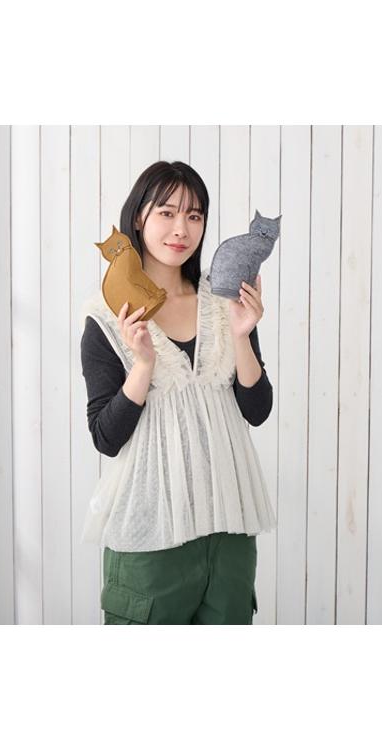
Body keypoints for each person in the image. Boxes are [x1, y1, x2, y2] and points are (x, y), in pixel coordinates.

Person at [79, 160, 276, 624]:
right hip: (150, 537)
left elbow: (257, 409)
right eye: (166, 213)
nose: (181, 229)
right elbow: (106, 437)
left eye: (194, 215)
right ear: (139, 217)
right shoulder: (107, 317)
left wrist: (242, 335)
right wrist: (143, 365)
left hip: (228, 530)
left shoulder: (225, 300)